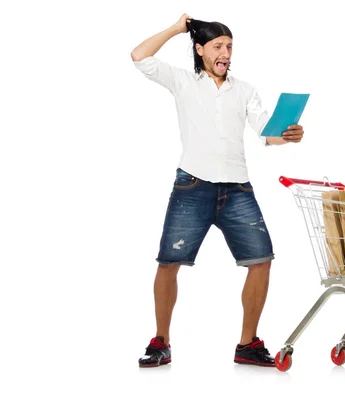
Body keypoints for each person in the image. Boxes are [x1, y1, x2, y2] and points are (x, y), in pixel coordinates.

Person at [130, 13, 305, 368]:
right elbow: (139, 56)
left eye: (229, 47)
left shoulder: (244, 90)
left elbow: (265, 131)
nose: (225, 53)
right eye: (218, 47)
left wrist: (287, 136)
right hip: (192, 186)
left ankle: (247, 344)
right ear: (200, 49)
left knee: (261, 261)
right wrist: (176, 29)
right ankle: (160, 341)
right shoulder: (183, 82)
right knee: (168, 263)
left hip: (237, 189)